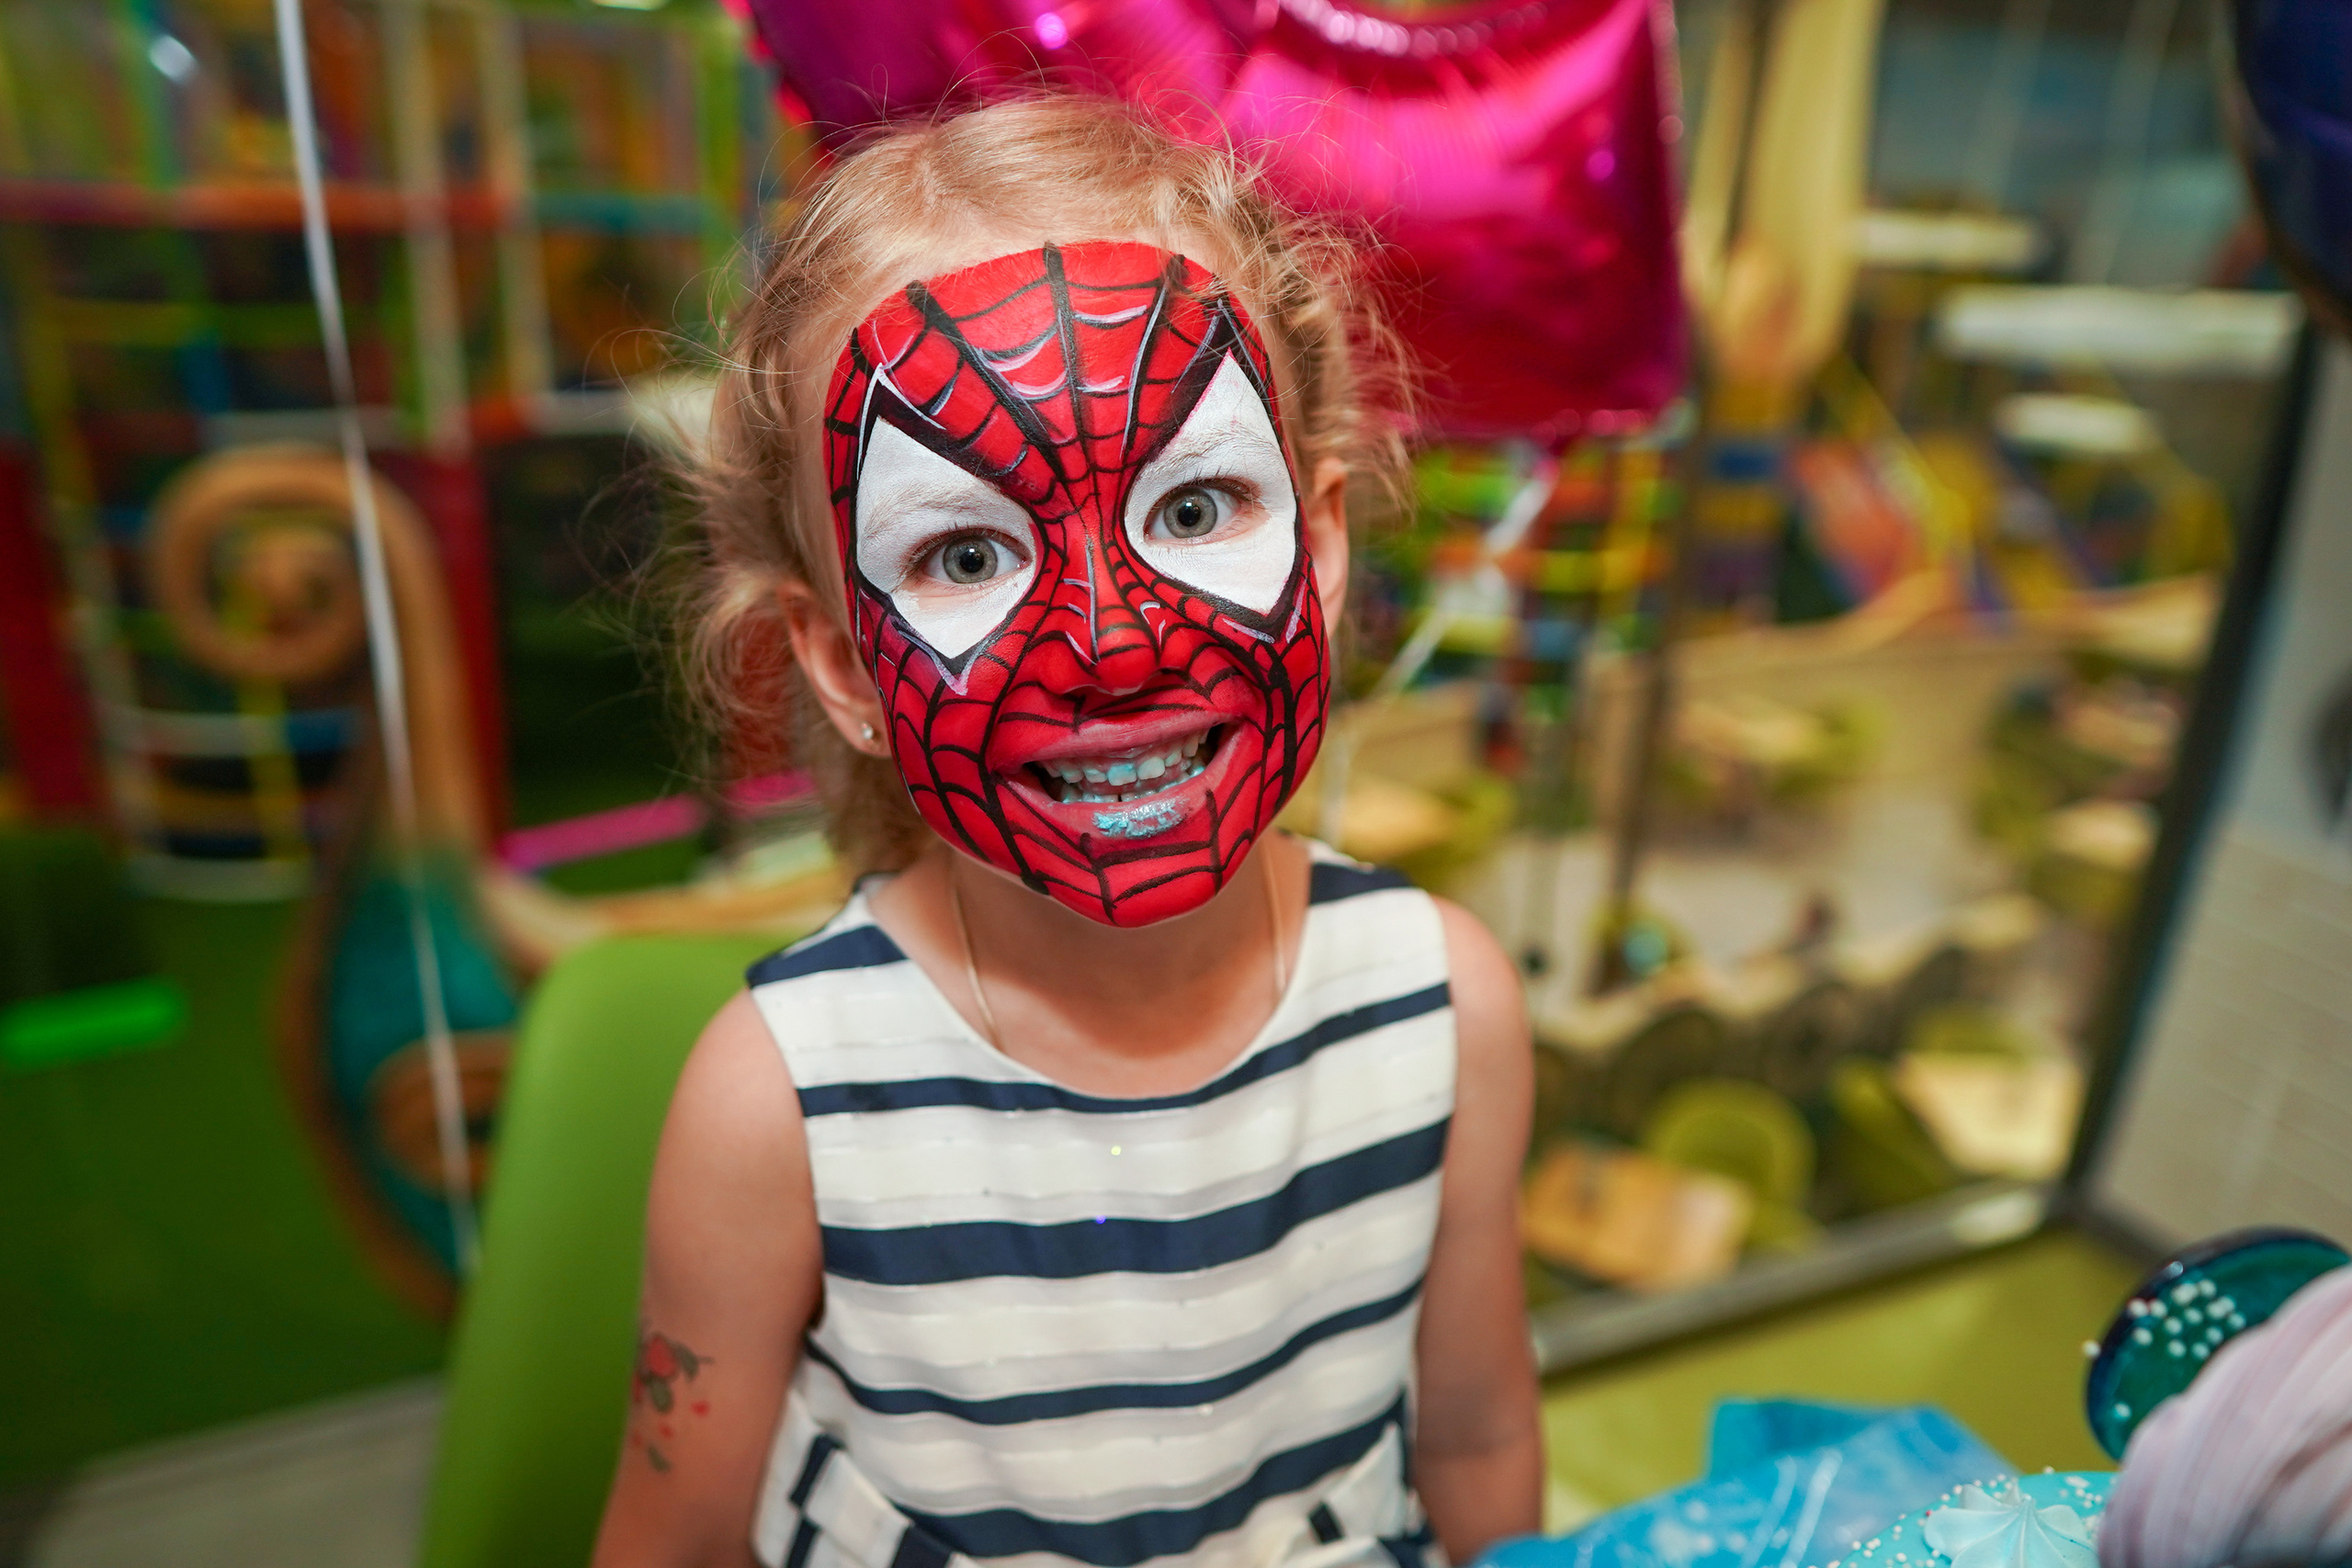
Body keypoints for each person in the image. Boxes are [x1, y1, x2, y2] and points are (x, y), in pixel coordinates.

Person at [590, 97, 1544, 1568]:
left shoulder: (1442, 1010)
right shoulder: (778, 1105)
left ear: (1325, 541)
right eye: (965, 553)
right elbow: (672, 1539)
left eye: (1199, 504)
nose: (1109, 643)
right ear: (840, 660)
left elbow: (1477, 1439)